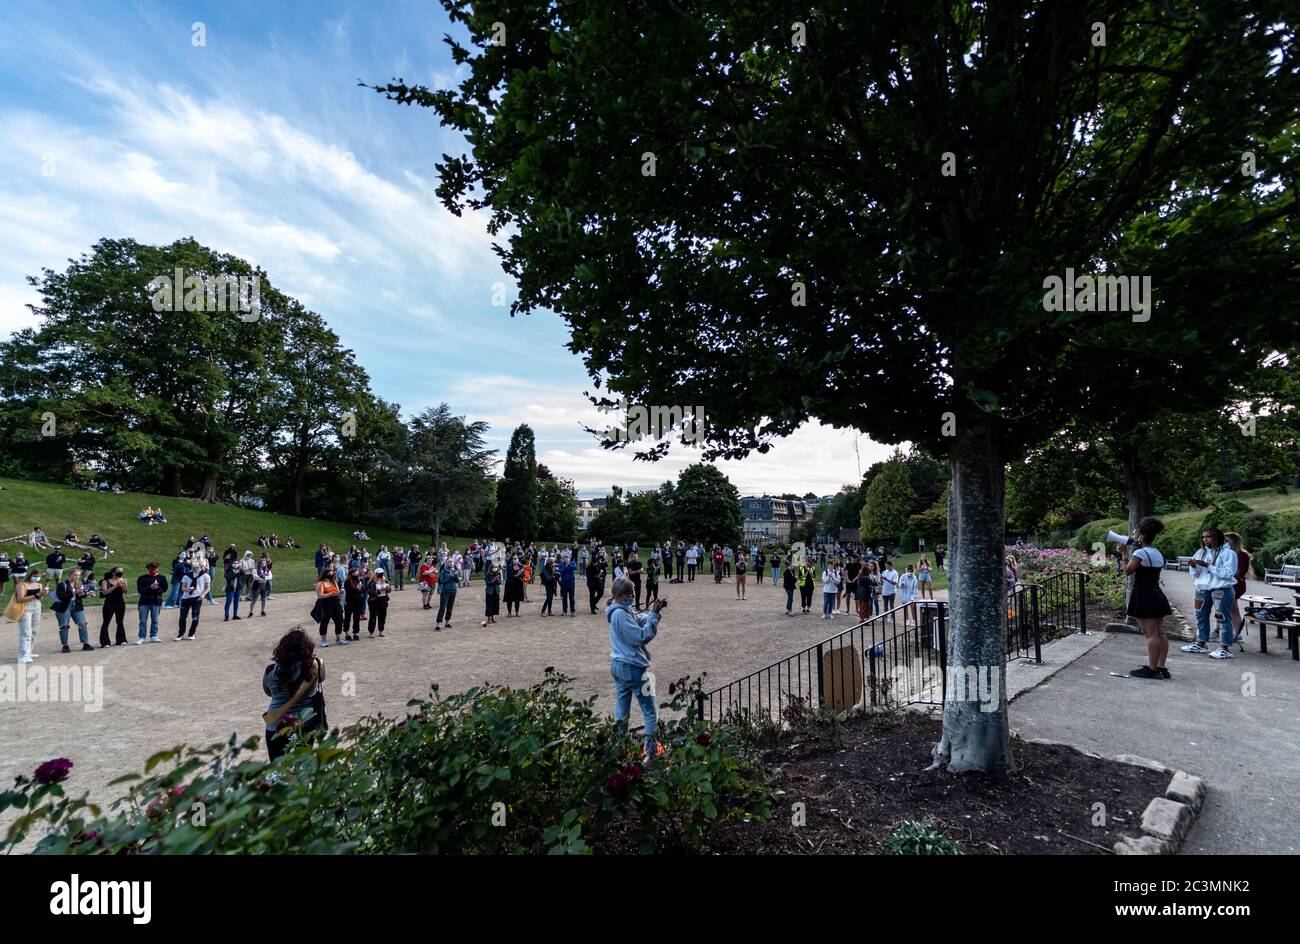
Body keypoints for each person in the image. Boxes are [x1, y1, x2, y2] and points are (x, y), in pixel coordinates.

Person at [607, 577, 666, 761]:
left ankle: (618, 751)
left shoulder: (622, 610)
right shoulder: (620, 615)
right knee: (650, 711)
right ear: (621, 595)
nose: (633, 597)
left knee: (621, 712)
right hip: (632, 668)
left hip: (619, 667)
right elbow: (641, 636)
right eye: (631, 594)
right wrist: (653, 617)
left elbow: (639, 618)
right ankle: (650, 753)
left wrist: (654, 612)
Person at [262, 629, 326, 760]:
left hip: (276, 724)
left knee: (277, 771)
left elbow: (268, 692)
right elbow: (322, 678)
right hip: (304, 724)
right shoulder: (316, 665)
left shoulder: (270, 671)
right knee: (302, 770)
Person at [1124, 517, 1173, 679]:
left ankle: (1152, 669)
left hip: (1144, 594)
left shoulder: (1140, 553)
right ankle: (1161, 667)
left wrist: (1124, 552)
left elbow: (1128, 571)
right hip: (1156, 593)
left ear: (1142, 536)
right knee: (1160, 632)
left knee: (1150, 634)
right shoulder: (1157, 552)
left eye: (1136, 532)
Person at [1183, 527, 1239, 659]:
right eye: (1203, 537)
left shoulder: (1229, 554)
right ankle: (1201, 643)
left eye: (1208, 537)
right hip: (1202, 588)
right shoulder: (1201, 552)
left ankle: (1224, 647)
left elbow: (1228, 573)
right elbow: (1196, 574)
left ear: (1216, 537)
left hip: (1221, 589)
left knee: (1222, 617)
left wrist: (1208, 566)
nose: (1205, 539)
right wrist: (1193, 566)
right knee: (1200, 615)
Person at [53, 569, 94, 653]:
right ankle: (65, 646)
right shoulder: (62, 584)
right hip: (64, 607)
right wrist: (74, 592)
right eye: (75, 575)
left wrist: (84, 594)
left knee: (82, 624)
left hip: (76, 605)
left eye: (78, 575)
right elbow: (61, 597)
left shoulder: (79, 584)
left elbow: (81, 595)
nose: (77, 577)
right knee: (64, 626)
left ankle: (85, 644)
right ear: (70, 575)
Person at [12, 568, 45, 664]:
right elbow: (20, 599)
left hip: (37, 607)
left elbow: (40, 597)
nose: (37, 578)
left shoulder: (39, 584)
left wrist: (43, 594)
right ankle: (23, 655)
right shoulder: (21, 585)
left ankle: (28, 651)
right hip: (25, 608)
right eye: (35, 576)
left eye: (39, 576)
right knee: (26, 631)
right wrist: (37, 595)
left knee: (35, 630)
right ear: (30, 575)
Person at [1225, 532, 1252, 644]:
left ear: (1235, 541)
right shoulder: (1228, 553)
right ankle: (1219, 631)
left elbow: (1239, 572)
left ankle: (1237, 634)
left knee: (1233, 609)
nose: (1225, 543)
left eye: (1228, 541)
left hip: (1235, 585)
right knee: (1225, 609)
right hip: (1233, 584)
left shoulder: (1241, 554)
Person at [313, 569, 346, 646]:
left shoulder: (334, 582)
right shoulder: (320, 583)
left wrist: (340, 593)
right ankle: (323, 641)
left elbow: (337, 592)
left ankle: (339, 639)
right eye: (330, 574)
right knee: (325, 622)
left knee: (339, 620)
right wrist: (331, 594)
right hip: (326, 605)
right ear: (325, 574)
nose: (331, 575)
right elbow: (320, 596)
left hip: (336, 603)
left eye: (332, 574)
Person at [135, 562, 167, 643]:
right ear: (148, 568)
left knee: (155, 620)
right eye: (151, 568)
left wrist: (156, 589)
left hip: (156, 601)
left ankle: (154, 635)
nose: (154, 569)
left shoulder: (162, 578)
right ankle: (142, 636)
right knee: (142, 621)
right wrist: (150, 587)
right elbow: (140, 590)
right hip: (144, 602)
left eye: (155, 568)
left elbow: (164, 588)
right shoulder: (142, 578)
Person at [177, 563, 210, 641]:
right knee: (182, 617)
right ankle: (180, 634)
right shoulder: (186, 576)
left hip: (197, 598)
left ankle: (191, 633)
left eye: (197, 566)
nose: (195, 567)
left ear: (201, 566)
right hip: (186, 598)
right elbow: (183, 587)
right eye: (194, 566)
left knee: (195, 617)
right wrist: (187, 589)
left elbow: (208, 587)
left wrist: (203, 595)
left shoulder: (205, 576)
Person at [98, 567, 129, 647]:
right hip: (109, 603)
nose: (120, 573)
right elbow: (105, 592)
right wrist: (115, 586)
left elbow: (126, 591)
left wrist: (122, 586)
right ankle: (105, 642)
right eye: (118, 571)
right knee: (106, 622)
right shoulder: (105, 581)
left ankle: (121, 640)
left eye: (121, 571)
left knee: (120, 621)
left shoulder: (124, 579)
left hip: (120, 603)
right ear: (113, 572)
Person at [435, 556, 459, 629]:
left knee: (450, 607)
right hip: (445, 591)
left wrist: (455, 576)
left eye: (452, 561)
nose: (451, 563)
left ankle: (447, 622)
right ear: (446, 563)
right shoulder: (443, 571)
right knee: (442, 607)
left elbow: (457, 581)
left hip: (453, 590)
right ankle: (438, 624)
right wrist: (449, 577)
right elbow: (442, 581)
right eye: (449, 562)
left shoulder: (454, 570)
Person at [344, 568, 367, 641]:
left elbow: (362, 591)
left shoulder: (359, 580)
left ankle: (355, 633)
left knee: (356, 618)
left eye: (357, 572)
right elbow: (349, 592)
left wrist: (361, 588)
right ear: (351, 573)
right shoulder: (347, 582)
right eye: (355, 572)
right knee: (347, 618)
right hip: (349, 602)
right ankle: (347, 634)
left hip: (358, 602)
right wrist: (357, 589)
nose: (356, 573)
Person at [367, 569, 391, 637]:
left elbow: (389, 589)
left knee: (383, 616)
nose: (381, 575)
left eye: (382, 573)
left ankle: (381, 631)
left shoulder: (385, 580)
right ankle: (371, 632)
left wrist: (388, 589)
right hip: (374, 600)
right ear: (376, 574)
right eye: (380, 573)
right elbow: (369, 592)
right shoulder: (371, 582)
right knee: (373, 616)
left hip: (383, 599)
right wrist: (379, 591)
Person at [223, 555, 243, 622]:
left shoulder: (239, 570)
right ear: (231, 564)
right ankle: (226, 616)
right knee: (228, 601)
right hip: (230, 588)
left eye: (237, 563)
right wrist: (236, 574)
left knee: (236, 601)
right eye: (234, 563)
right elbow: (228, 577)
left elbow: (243, 573)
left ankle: (235, 615)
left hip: (238, 587)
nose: (236, 564)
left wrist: (240, 570)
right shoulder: (228, 570)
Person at [482, 560, 502, 625]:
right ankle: (488, 618)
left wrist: (498, 580)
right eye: (493, 567)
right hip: (489, 591)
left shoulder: (498, 573)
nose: (495, 568)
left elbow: (500, 583)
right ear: (491, 567)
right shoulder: (488, 574)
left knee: (495, 605)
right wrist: (493, 580)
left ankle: (493, 618)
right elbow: (487, 583)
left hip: (496, 591)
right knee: (489, 605)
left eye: (496, 567)